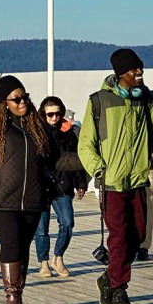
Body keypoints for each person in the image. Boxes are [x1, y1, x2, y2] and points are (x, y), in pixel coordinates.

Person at [0, 76, 83, 304]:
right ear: (4, 103)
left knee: (23, 248)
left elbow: (55, 158)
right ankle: (11, 299)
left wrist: (86, 160)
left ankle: (19, 298)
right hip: (1, 201)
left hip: (32, 199)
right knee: (10, 245)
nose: (22, 102)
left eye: (25, 97)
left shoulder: (37, 127)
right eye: (16, 99)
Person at [78, 49, 153, 304]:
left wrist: (151, 162)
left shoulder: (147, 99)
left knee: (137, 235)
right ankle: (118, 292)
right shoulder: (98, 102)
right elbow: (85, 145)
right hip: (111, 182)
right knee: (118, 237)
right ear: (120, 73)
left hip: (138, 181)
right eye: (134, 69)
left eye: (140, 68)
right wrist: (98, 170)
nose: (139, 72)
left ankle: (108, 276)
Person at [33, 96, 89, 278]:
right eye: (50, 114)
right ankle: (43, 263)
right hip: (41, 184)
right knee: (42, 228)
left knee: (67, 222)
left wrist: (81, 183)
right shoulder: (36, 132)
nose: (54, 118)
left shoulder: (69, 132)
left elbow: (77, 159)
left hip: (63, 182)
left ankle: (58, 257)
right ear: (43, 114)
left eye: (57, 113)